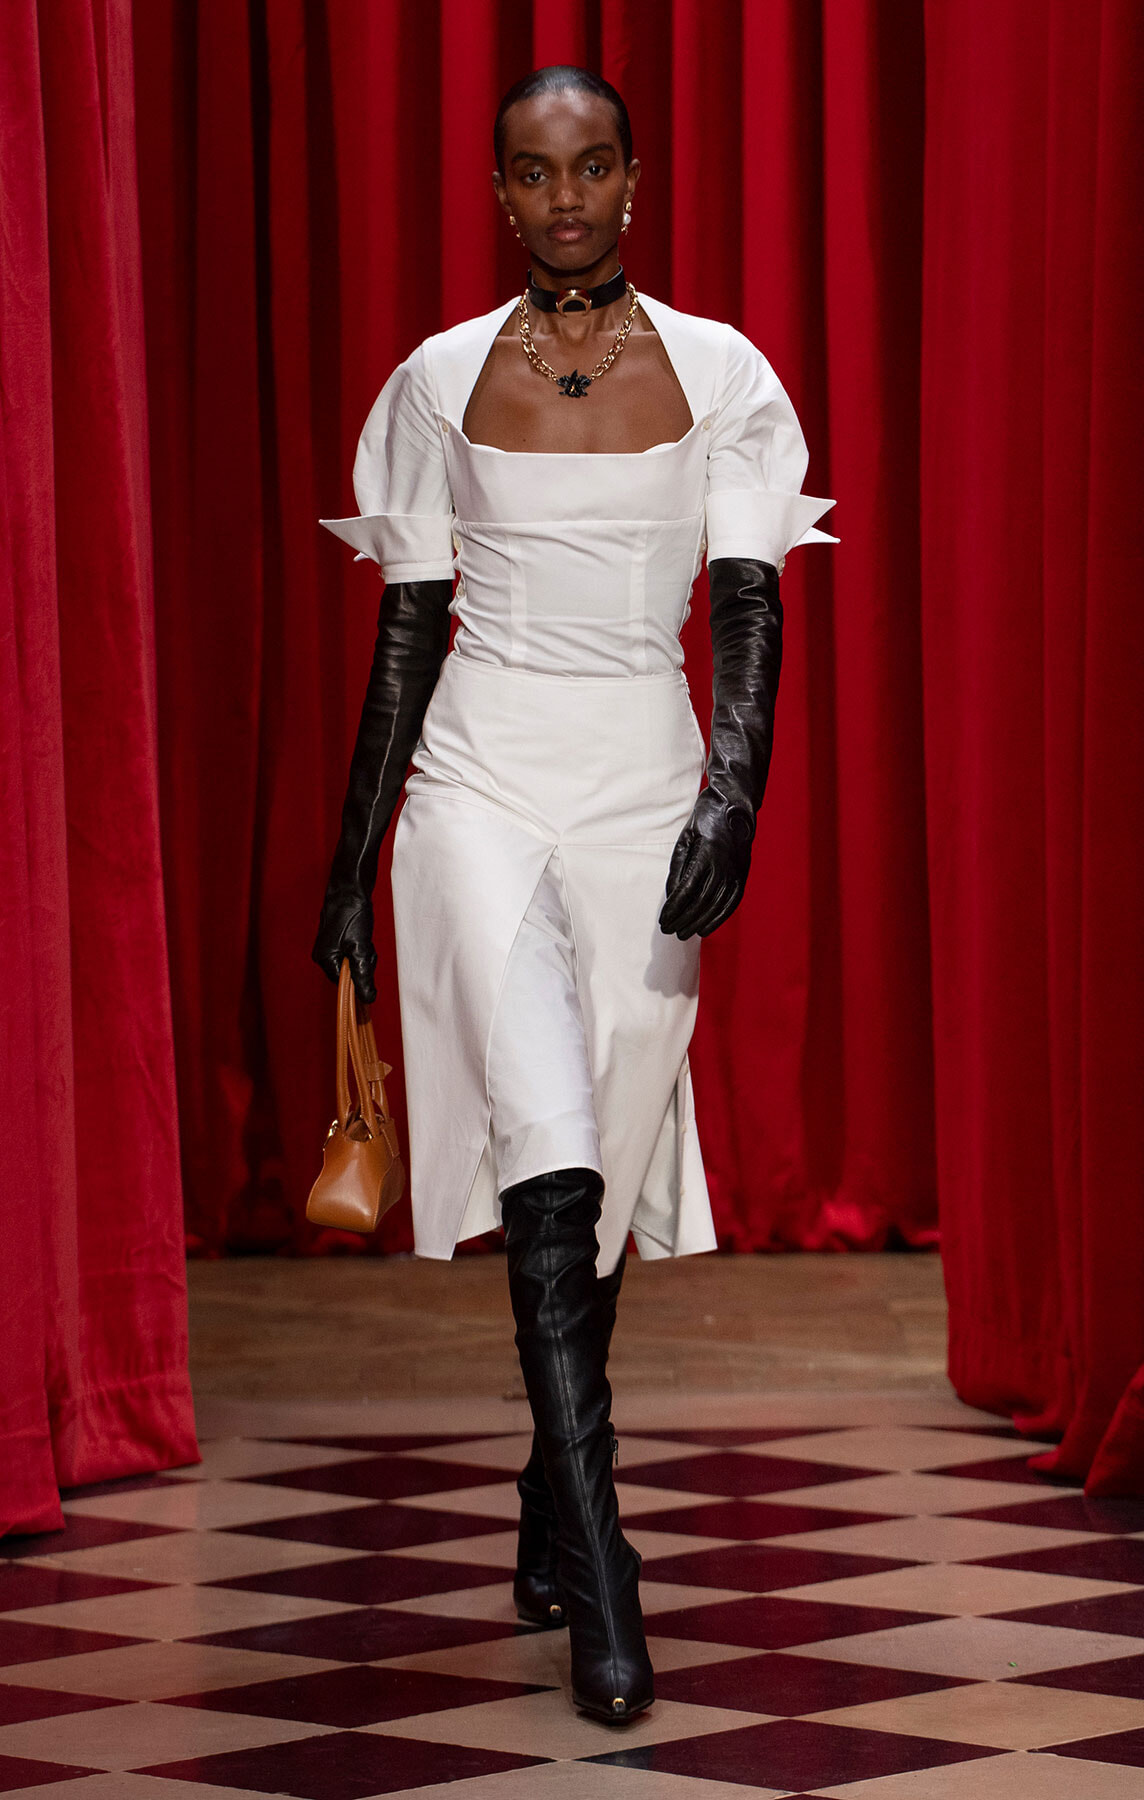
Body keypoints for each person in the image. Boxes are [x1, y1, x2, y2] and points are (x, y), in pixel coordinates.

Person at [313, 65, 836, 1725]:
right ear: (496, 191)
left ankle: (552, 1488)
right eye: (533, 175)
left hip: (646, 787)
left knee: (596, 1160)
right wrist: (349, 870)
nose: (565, 200)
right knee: (543, 1157)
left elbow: (746, 601)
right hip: (476, 783)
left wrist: (735, 786)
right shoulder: (436, 380)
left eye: (591, 167)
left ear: (635, 177)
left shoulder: (730, 376)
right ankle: (608, 1576)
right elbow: (406, 636)